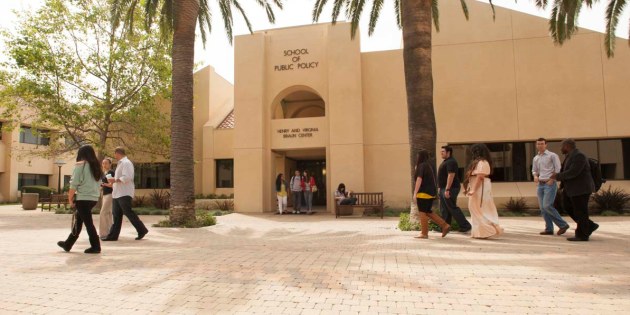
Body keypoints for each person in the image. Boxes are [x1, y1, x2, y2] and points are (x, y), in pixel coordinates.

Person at [57, 145, 103, 254]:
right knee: (79, 220)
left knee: (88, 223)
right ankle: (68, 243)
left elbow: (74, 184)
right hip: (93, 198)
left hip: (83, 198)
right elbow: (100, 184)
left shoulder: (80, 165)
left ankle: (96, 246)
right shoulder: (97, 167)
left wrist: (70, 199)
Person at [556, 139, 599, 241]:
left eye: (562, 146)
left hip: (581, 189)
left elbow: (573, 172)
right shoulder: (570, 156)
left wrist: (557, 176)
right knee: (567, 206)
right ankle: (589, 225)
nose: (561, 149)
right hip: (571, 188)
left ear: (567, 146)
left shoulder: (579, 156)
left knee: (581, 211)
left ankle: (582, 235)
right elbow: (566, 171)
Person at [103, 147, 148, 241]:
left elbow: (127, 177)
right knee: (116, 215)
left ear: (118, 153)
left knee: (128, 212)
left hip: (124, 193)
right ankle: (113, 236)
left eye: (115, 154)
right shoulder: (120, 164)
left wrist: (114, 179)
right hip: (117, 193)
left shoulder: (126, 163)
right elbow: (120, 178)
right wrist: (111, 182)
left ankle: (142, 230)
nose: (114, 156)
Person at [464, 143, 504, 239]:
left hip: (480, 188)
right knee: (476, 209)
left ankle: (488, 230)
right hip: (478, 187)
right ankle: (479, 232)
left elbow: (480, 177)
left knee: (477, 209)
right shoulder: (481, 162)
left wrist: (473, 190)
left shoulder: (482, 162)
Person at [532, 138, 570, 236]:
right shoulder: (536, 158)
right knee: (543, 208)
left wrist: (552, 180)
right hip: (540, 185)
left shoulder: (552, 156)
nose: (540, 145)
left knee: (547, 206)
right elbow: (534, 170)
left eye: (542, 144)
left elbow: (558, 169)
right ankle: (549, 229)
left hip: (550, 184)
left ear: (546, 145)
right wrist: (535, 176)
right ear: (536, 145)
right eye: (538, 144)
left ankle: (563, 225)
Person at [412, 149, 450, 239]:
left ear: (419, 157)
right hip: (431, 193)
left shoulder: (421, 166)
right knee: (428, 211)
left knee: (422, 213)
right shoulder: (429, 165)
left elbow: (419, 179)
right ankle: (445, 225)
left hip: (423, 193)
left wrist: (415, 193)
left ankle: (424, 233)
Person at [437, 145, 472, 233]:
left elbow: (451, 175)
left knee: (452, 207)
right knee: (444, 209)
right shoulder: (446, 161)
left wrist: (447, 189)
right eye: (441, 152)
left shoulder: (451, 162)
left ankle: (465, 226)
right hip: (444, 188)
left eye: (443, 152)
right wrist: (440, 188)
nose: (441, 153)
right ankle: (445, 227)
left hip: (450, 188)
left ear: (448, 152)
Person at [99, 158, 115, 239]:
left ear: (110, 164)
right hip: (105, 195)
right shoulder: (104, 173)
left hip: (109, 194)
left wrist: (103, 184)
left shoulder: (110, 172)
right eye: (103, 163)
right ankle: (109, 232)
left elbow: (111, 184)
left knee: (103, 213)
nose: (104, 165)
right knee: (108, 213)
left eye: (106, 163)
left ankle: (103, 233)